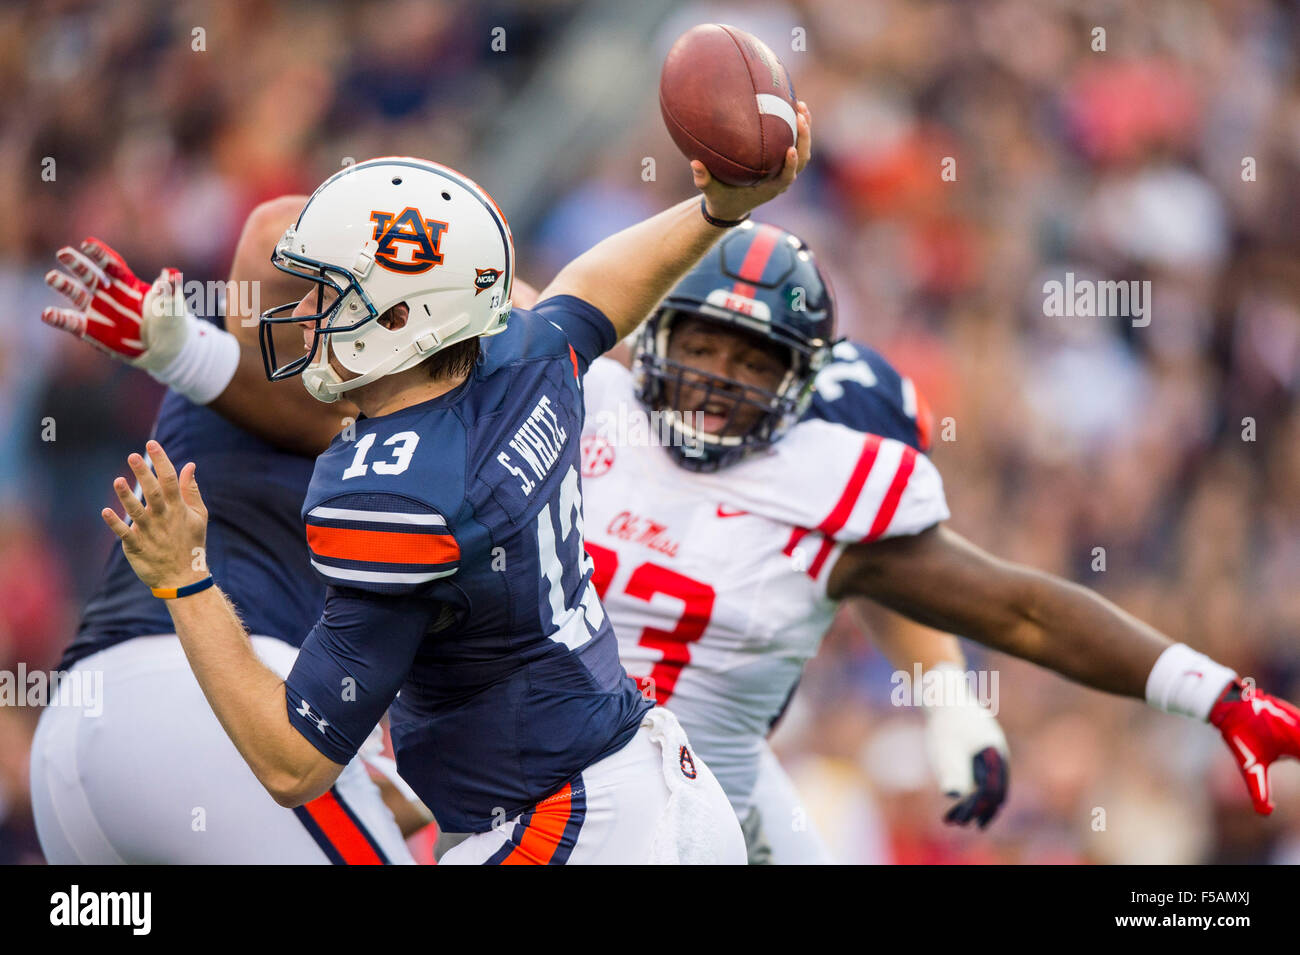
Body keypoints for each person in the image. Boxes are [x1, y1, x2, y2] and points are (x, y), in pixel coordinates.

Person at [92, 115, 812, 864]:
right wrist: (715, 212)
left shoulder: (397, 497)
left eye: (331, 295)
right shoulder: (520, 356)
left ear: (400, 319)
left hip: (581, 821)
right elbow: (595, 292)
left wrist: (185, 579)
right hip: (624, 794)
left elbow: (293, 761)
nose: (303, 314)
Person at [576, 220, 1300, 863]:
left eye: (753, 364)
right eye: (701, 348)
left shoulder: (823, 487)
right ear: (656, 337)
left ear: (803, 391)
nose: (718, 386)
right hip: (523, 780)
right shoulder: (583, 410)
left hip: (694, 794)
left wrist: (1219, 695)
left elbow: (1012, 605)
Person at [30, 198, 416, 864]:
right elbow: (275, 233)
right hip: (206, 700)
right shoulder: (239, 378)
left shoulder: (365, 417)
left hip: (76, 748)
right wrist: (186, 350)